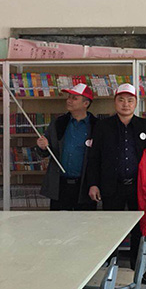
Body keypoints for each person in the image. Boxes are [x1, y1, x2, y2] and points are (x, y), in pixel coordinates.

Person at [87, 83, 146, 285]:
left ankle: (140, 270)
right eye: (121, 100)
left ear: (136, 103)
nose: (125, 104)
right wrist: (93, 184)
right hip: (112, 186)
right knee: (111, 230)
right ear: (115, 102)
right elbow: (94, 158)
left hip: (139, 187)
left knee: (139, 230)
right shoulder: (103, 126)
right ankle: (111, 270)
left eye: (130, 100)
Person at [36, 83, 98, 211]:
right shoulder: (58, 123)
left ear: (86, 103)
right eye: (69, 97)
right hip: (60, 184)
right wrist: (42, 147)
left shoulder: (97, 126)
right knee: (59, 221)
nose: (69, 100)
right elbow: (45, 152)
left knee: (85, 221)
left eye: (74, 98)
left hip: (85, 185)